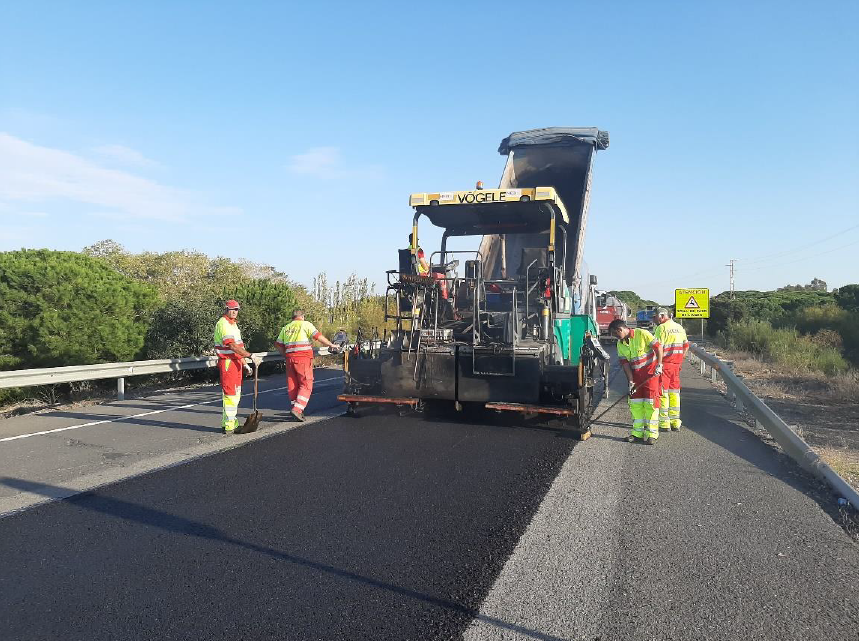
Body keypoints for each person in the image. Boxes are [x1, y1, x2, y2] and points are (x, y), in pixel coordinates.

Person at [275, 309, 338, 422]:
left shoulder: (286, 328)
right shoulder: (305, 324)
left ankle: (296, 407)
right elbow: (318, 336)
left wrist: (286, 355)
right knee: (306, 384)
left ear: (292, 317)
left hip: (290, 359)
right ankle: (297, 410)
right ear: (302, 316)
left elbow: (278, 345)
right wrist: (331, 344)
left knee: (293, 385)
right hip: (303, 358)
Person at [609, 318, 664, 445]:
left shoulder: (642, 334)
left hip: (651, 375)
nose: (616, 337)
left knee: (650, 404)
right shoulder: (620, 344)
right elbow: (625, 364)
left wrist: (659, 365)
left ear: (620, 329)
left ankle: (652, 434)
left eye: (615, 334)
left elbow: (658, 347)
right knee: (635, 404)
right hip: (636, 377)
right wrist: (631, 382)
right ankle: (637, 433)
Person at [213, 300, 260, 434]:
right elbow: (232, 346)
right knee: (230, 394)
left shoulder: (233, 325)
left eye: (237, 309)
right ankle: (229, 425)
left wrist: (245, 364)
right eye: (232, 309)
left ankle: (229, 422)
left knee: (236, 394)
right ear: (226, 309)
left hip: (236, 362)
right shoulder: (223, 324)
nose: (234, 311)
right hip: (228, 362)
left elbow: (238, 348)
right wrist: (250, 356)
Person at [653, 307, 689, 431]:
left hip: (665, 365)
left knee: (663, 393)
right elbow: (686, 345)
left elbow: (657, 348)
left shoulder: (661, 328)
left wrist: (658, 364)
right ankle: (675, 421)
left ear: (662, 316)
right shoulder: (679, 327)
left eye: (656, 316)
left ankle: (664, 423)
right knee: (675, 393)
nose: (655, 319)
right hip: (676, 365)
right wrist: (680, 360)